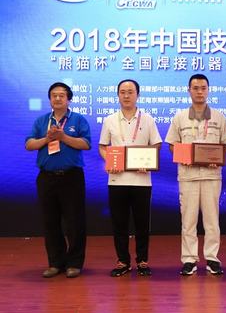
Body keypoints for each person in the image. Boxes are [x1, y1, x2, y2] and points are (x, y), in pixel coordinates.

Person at [165, 74, 226, 276]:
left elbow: (225, 144)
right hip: (188, 176)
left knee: (212, 221)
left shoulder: (218, 117)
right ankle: (189, 259)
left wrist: (217, 158)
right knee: (188, 220)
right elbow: (172, 144)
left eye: (203, 88)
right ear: (189, 91)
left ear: (208, 90)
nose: (200, 92)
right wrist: (182, 156)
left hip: (212, 175)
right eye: (195, 88)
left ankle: (212, 258)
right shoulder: (179, 117)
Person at [25, 82, 91, 278]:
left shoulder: (78, 120)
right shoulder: (41, 121)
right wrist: (47, 139)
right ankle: (55, 263)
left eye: (62, 95)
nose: (57, 98)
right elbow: (29, 144)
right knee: (50, 222)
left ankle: (74, 263)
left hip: (71, 177)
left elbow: (86, 144)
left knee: (74, 222)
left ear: (68, 99)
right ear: (50, 100)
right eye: (54, 95)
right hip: (46, 178)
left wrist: (62, 137)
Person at [99, 79, 162, 277]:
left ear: (138, 95)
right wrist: (110, 160)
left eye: (130, 92)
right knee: (119, 223)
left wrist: (148, 161)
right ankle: (123, 261)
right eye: (122, 92)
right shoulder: (109, 120)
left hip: (141, 180)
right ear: (118, 95)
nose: (126, 95)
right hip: (116, 180)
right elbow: (103, 146)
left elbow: (156, 144)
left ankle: (142, 260)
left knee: (142, 223)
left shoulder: (148, 119)